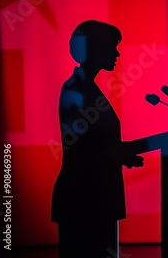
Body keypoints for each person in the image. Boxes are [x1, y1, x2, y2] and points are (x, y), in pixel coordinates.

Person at [52, 20, 146, 258]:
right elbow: (81, 148)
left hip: (96, 196)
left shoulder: (88, 88)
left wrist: (120, 155)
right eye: (112, 46)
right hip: (84, 198)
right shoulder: (75, 90)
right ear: (94, 48)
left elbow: (94, 144)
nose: (116, 53)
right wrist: (119, 153)